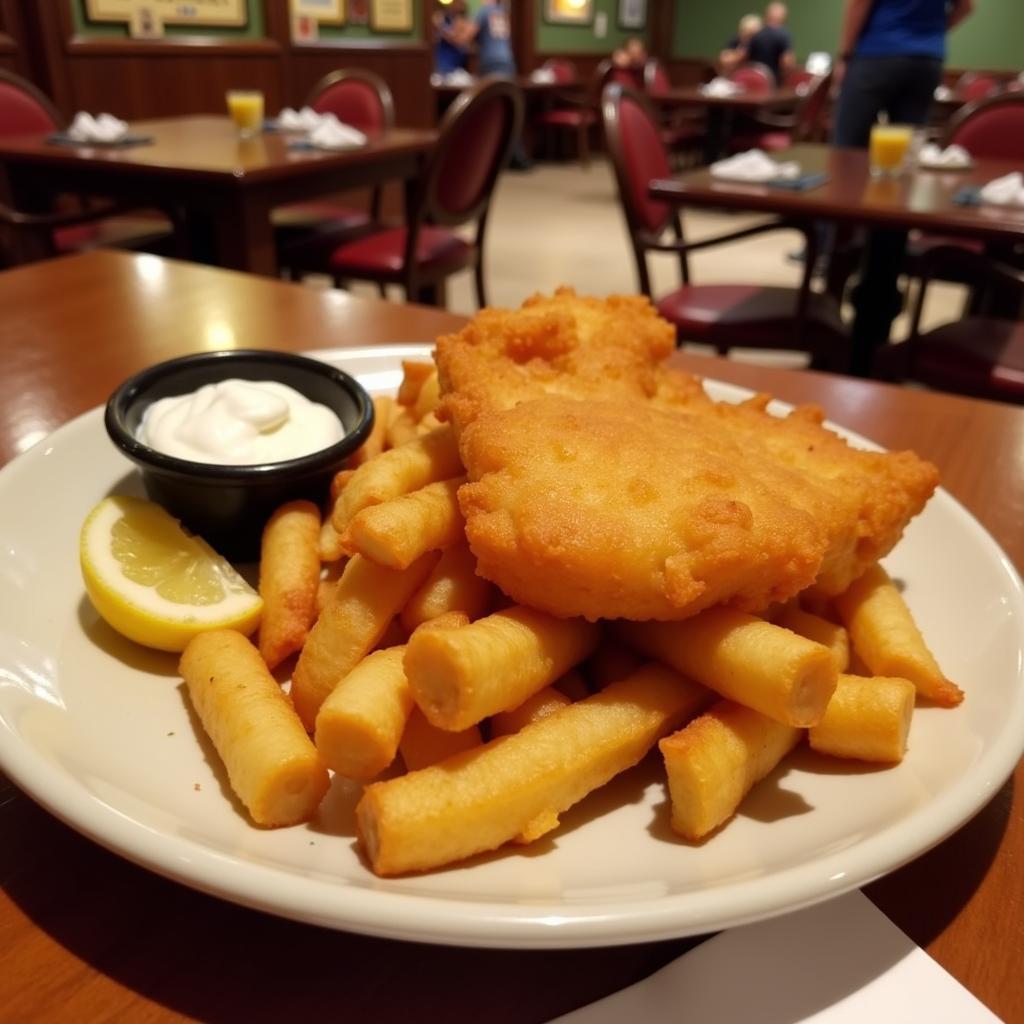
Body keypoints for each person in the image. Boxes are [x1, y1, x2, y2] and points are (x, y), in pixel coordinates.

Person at [831, 0, 975, 375]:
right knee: (900, 181)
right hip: (927, 61)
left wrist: (846, 54)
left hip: (877, 55)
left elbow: (859, 3)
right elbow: (967, 7)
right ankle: (879, 306)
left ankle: (831, 291)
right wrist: (929, 34)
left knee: (843, 169)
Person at [452, 1, 531, 170]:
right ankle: (517, 157)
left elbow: (462, 40)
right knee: (509, 110)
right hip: (508, 63)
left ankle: (494, 158)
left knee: (491, 112)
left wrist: (445, 28)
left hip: (491, 65)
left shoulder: (483, 12)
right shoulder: (501, 12)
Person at [746, 3, 794, 84]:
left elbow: (746, 56)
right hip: (773, 85)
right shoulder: (783, 34)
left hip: (751, 81)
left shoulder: (754, 33)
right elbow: (787, 63)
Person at [432, 0, 469, 77]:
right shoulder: (443, 18)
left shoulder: (462, 20)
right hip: (443, 65)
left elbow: (457, 40)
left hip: (457, 66)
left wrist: (440, 26)